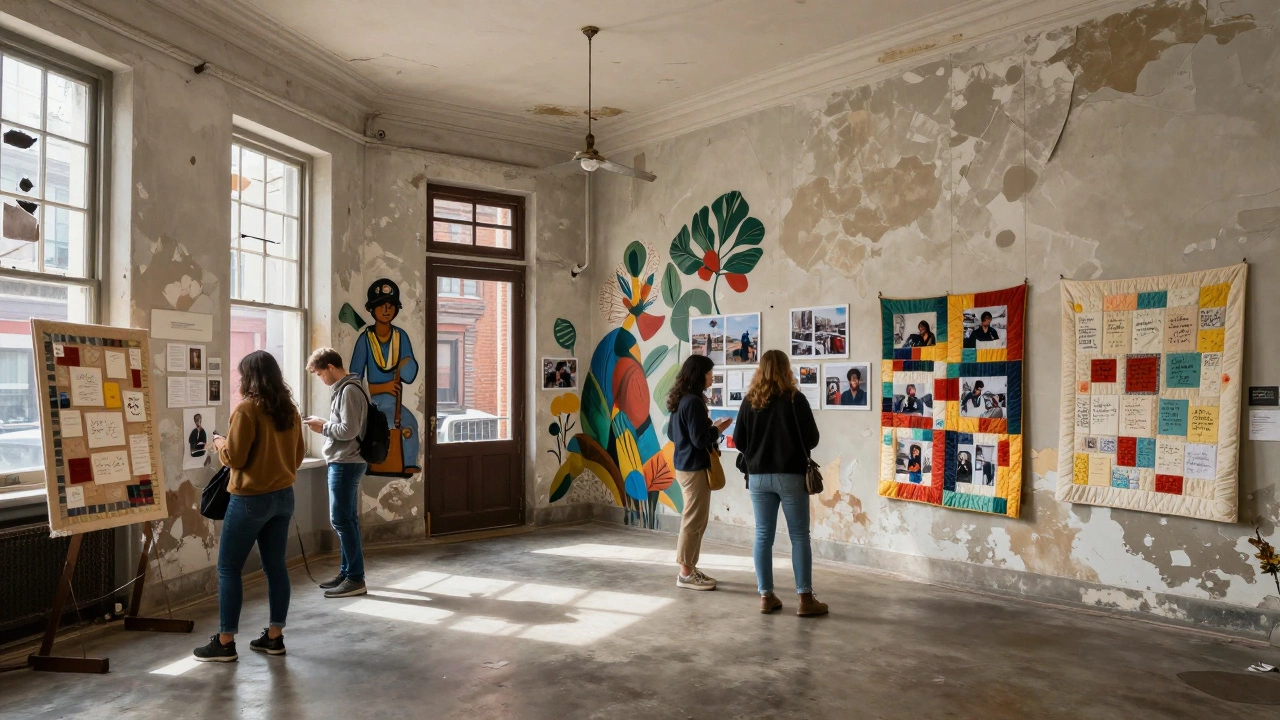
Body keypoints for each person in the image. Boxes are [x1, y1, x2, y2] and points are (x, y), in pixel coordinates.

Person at [194, 351, 306, 662]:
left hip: (250, 500)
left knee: (229, 569)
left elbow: (235, 458)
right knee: (276, 567)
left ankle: (225, 642)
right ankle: (274, 637)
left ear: (249, 378)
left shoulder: (247, 409)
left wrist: (220, 443)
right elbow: (298, 456)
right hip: (284, 497)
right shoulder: (290, 410)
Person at [732, 350, 826, 617]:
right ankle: (805, 599)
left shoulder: (750, 400)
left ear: (760, 370)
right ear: (786, 369)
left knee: (763, 535)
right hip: (791, 475)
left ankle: (766, 596)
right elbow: (813, 438)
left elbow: (739, 441)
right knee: (799, 536)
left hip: (758, 477)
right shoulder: (795, 399)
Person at [304, 348, 370, 599]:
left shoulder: (349, 390)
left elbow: (348, 430)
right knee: (347, 520)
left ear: (331, 367)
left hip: (346, 462)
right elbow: (346, 426)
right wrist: (325, 423)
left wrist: (322, 427)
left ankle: (355, 578)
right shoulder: (347, 388)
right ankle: (347, 573)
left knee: (342, 521)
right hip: (347, 461)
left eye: (320, 373)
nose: (321, 379)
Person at [666, 355, 732, 591]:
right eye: (709, 373)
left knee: (695, 520)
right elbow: (699, 440)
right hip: (694, 468)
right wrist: (718, 429)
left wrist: (707, 429)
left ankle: (690, 569)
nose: (712, 377)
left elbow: (672, 434)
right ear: (699, 375)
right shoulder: (693, 402)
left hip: (684, 465)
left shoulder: (682, 399)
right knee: (693, 521)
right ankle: (685, 574)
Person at [350, 279, 419, 475]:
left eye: (390, 305)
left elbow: (409, 374)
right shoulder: (365, 339)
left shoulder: (400, 336)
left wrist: (406, 364)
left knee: (410, 424)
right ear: (372, 309)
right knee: (383, 427)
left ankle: (408, 463)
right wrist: (382, 387)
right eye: (381, 305)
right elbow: (354, 380)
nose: (386, 310)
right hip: (372, 403)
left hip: (393, 402)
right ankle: (378, 462)